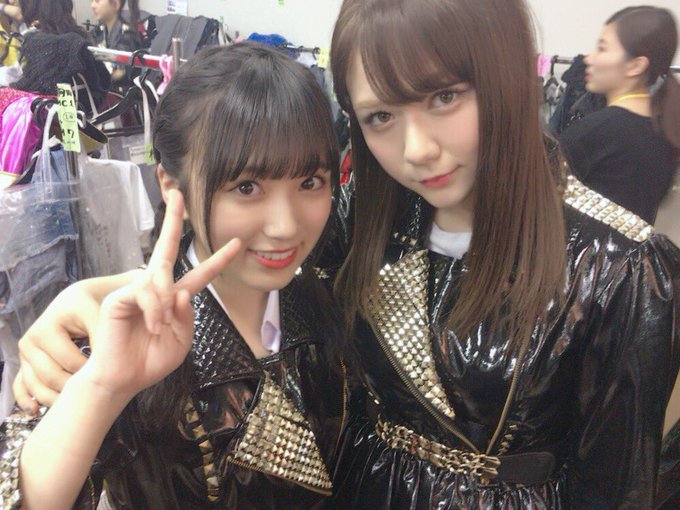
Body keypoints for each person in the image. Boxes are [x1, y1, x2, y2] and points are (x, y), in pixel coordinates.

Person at [11, 0, 680, 508]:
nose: (417, 150)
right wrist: (91, 302)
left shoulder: (620, 268)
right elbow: (234, 267)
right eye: (381, 116)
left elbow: (619, 481)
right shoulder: (365, 217)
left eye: (445, 96)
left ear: (505, 73)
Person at [0, 42, 346, 509]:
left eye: (309, 182)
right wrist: (102, 387)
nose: (285, 226)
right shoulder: (119, 333)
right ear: (170, 183)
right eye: (247, 187)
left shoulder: (324, 295)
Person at [559, 6, 679, 224]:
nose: (589, 58)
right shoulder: (665, 130)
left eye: (602, 48)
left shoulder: (596, 132)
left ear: (635, 65)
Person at [90, 0, 142, 87]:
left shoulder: (128, 34)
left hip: (121, 91)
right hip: (104, 88)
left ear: (115, 4)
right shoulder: (98, 31)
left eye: (97, 1)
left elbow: (121, 73)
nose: (92, 5)